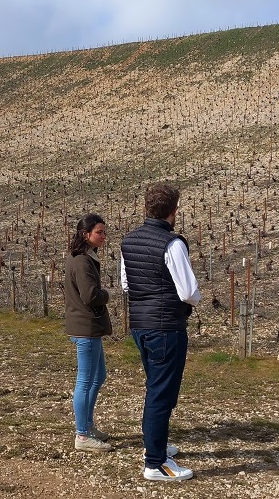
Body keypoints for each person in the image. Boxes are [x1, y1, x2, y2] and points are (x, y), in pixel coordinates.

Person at [121, 182, 200, 481]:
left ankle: (157, 444)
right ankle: (155, 463)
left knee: (156, 388)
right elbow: (189, 292)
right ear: (174, 211)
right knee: (160, 394)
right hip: (166, 327)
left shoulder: (128, 241)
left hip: (140, 325)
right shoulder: (172, 244)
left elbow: (127, 284)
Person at [64, 213, 113, 453]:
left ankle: (88, 425)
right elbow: (90, 295)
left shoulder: (81, 258)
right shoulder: (83, 261)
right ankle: (82, 435)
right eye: (99, 232)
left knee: (98, 375)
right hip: (86, 327)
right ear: (86, 234)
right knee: (85, 381)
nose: (104, 236)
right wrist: (108, 295)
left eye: (104, 232)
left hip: (87, 326)